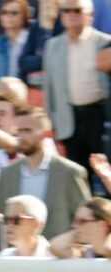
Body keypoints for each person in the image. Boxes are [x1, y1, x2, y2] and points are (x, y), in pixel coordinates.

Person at [0, 107, 90, 237]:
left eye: (27, 130)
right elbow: (2, 218)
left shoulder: (70, 173)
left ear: (46, 134)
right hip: (17, 255)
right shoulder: (7, 174)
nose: (21, 136)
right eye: (19, 131)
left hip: (58, 255)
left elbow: (85, 221)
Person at [45, 0, 111, 182]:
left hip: (100, 116)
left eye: (77, 10)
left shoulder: (105, 43)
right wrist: (51, 123)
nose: (71, 14)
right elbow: (49, 87)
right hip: (69, 117)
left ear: (90, 15)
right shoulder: (52, 46)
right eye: (66, 10)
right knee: (78, 175)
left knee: (105, 170)